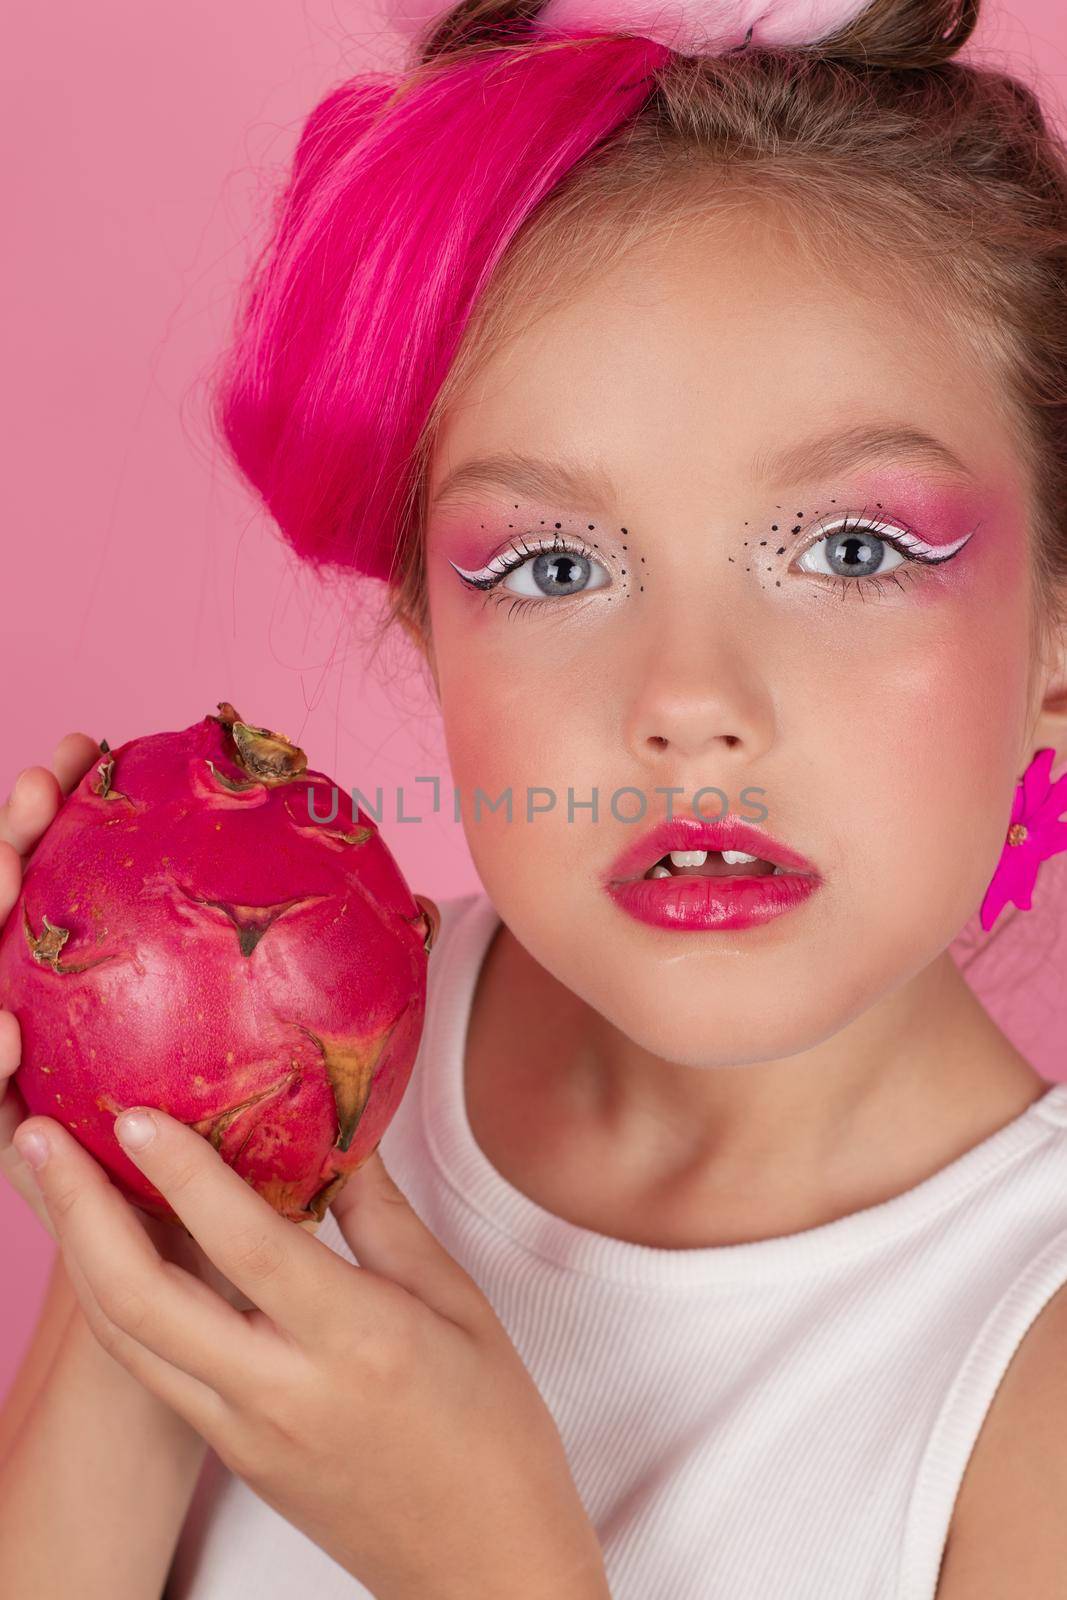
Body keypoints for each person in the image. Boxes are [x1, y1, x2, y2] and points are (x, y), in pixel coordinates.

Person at [5, 0, 1067, 1594]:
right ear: (428, 626)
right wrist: (142, 1189)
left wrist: (491, 1566)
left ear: (1059, 634)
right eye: (555, 565)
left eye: (854, 550)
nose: (689, 703)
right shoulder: (317, 1066)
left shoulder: (1032, 1375)